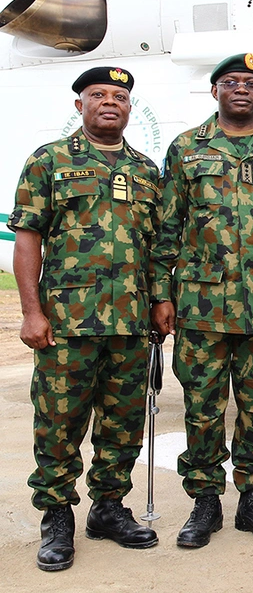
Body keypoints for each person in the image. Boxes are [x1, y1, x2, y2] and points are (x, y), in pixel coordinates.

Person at [150, 53, 253, 548]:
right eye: (231, 81)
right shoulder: (185, 149)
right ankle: (205, 502)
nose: (242, 88)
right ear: (215, 90)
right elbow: (166, 227)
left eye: (251, 83)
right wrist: (160, 293)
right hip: (201, 306)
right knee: (201, 408)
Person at [8, 66, 160, 571]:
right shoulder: (49, 161)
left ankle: (109, 509)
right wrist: (32, 311)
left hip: (131, 323)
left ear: (130, 107)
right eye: (98, 94)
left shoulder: (145, 170)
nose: (110, 102)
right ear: (80, 105)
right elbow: (27, 237)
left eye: (120, 96)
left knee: (122, 425)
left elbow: (158, 248)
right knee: (59, 423)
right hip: (67, 322)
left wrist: (160, 303)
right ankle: (56, 517)